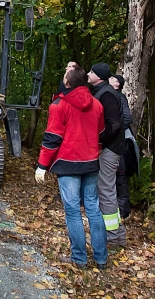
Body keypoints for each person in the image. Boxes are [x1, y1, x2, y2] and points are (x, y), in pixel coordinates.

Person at [35, 62, 108, 269]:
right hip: (91, 162)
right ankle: (101, 259)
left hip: (68, 165)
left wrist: (42, 165)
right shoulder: (97, 105)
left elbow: (52, 139)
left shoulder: (59, 105)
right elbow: (100, 135)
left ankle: (79, 258)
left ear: (67, 82)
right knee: (93, 209)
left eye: (65, 73)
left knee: (73, 211)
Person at [88, 62, 127, 249]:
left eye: (91, 72)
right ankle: (118, 236)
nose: (88, 74)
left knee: (106, 191)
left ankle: (111, 238)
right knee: (108, 191)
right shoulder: (103, 92)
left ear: (99, 76)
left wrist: (98, 139)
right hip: (109, 148)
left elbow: (114, 124)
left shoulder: (107, 95)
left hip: (109, 149)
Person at [109, 74, 139, 219]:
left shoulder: (119, 97)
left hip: (120, 144)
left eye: (112, 78)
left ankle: (123, 210)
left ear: (117, 84)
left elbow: (127, 118)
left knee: (119, 176)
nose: (110, 78)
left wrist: (114, 130)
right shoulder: (112, 96)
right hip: (118, 143)